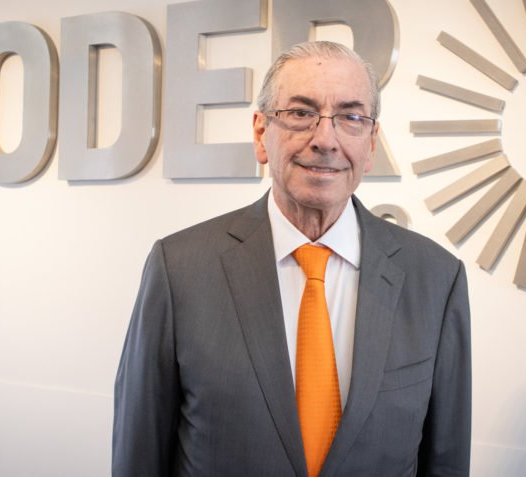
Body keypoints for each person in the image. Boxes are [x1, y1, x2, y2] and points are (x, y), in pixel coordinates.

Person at [113, 41, 471, 476]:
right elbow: (139, 454)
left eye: (351, 117)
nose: (325, 140)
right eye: (301, 113)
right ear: (261, 133)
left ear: (371, 144)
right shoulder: (179, 269)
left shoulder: (435, 278)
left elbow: (446, 461)